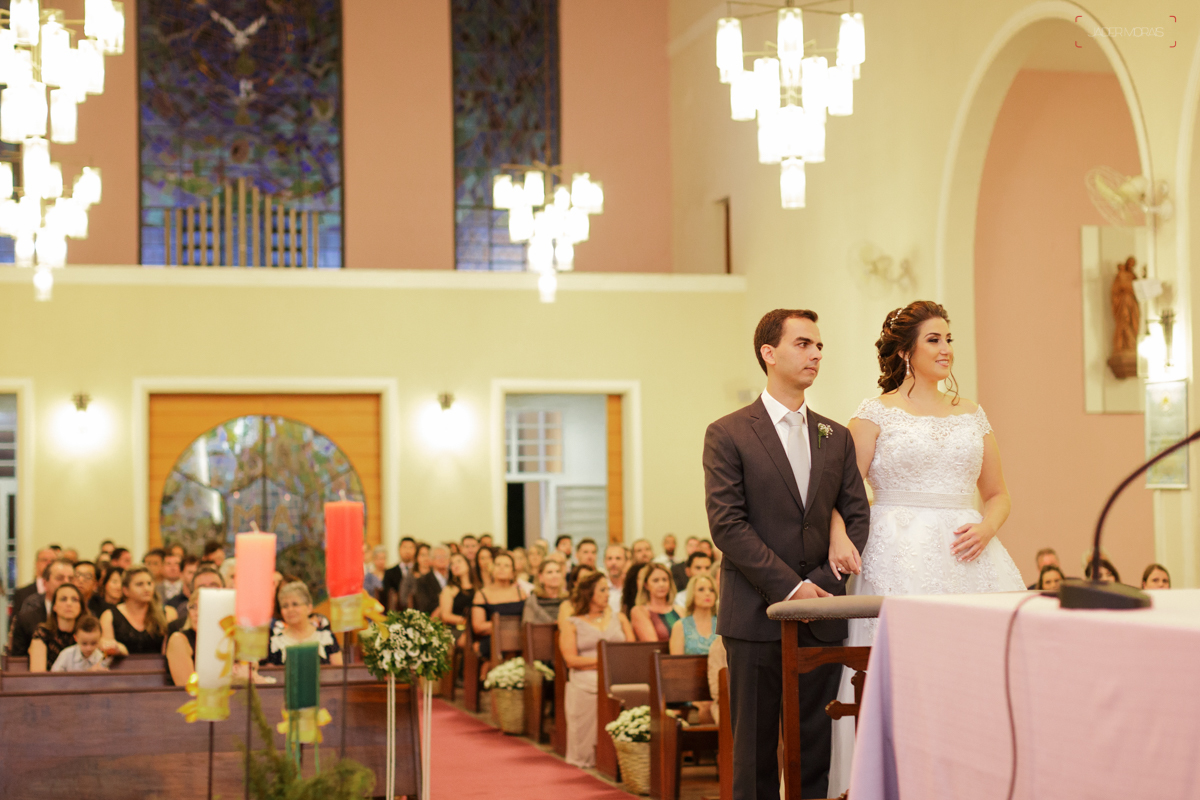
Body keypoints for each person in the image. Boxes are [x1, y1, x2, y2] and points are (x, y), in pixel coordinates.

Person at [829, 301, 1025, 795]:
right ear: (906, 350)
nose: (946, 349)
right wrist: (838, 536)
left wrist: (986, 528)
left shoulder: (972, 414)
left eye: (949, 339)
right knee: (903, 674)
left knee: (980, 673)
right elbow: (843, 493)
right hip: (897, 550)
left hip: (970, 555)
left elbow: (999, 494)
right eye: (934, 339)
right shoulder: (873, 414)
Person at [705, 308, 872, 800]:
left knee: (813, 752)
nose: (816, 354)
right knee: (754, 755)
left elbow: (856, 517)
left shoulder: (834, 436)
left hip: (820, 614)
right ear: (769, 353)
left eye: (819, 346)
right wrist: (793, 588)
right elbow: (727, 525)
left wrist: (821, 585)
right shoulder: (729, 432)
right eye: (803, 344)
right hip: (755, 616)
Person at [560, 571, 635, 768]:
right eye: (602, 590)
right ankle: (588, 757)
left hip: (618, 673)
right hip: (586, 676)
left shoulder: (619, 618)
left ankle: (624, 759)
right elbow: (570, 659)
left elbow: (631, 649)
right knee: (589, 683)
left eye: (608, 589)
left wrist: (608, 664)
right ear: (589, 594)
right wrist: (602, 662)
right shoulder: (572, 623)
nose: (607, 594)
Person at [100, 566, 178, 656]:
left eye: (149, 583)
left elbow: (170, 652)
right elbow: (108, 650)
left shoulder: (168, 613)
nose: (146, 588)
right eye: (139, 584)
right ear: (125, 590)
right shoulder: (109, 616)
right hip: (121, 668)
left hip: (158, 667)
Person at [263, 581, 343, 665]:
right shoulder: (275, 643)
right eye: (285, 606)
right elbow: (270, 675)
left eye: (295, 604)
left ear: (309, 608)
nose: (290, 610)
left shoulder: (326, 637)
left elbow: (338, 672)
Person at [10, 558, 76, 657]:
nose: (66, 582)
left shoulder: (84, 615)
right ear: (45, 583)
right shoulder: (26, 619)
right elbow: (18, 662)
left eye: (71, 579)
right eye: (60, 578)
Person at [471, 551, 526, 662]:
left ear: (513, 572)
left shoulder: (521, 593)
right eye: (498, 565)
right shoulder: (482, 594)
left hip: (519, 639)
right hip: (493, 640)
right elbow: (478, 626)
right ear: (492, 569)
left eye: (506, 566)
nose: (501, 568)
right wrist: (506, 627)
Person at [29, 584, 86, 671]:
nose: (69, 604)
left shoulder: (87, 632)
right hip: (49, 684)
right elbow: (38, 675)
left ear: (81, 607)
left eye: (74, 600)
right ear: (54, 606)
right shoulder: (42, 634)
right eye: (63, 599)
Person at [629, 562, 684, 642]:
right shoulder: (639, 611)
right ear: (646, 585)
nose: (661, 584)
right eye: (656, 580)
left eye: (664, 580)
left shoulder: (680, 610)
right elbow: (651, 643)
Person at [166, 566, 224, 638]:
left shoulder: (234, 623)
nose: (209, 591)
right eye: (202, 588)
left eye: (214, 586)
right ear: (192, 594)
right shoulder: (176, 627)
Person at [670, 574, 719, 656]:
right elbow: (676, 664)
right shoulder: (680, 626)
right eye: (701, 589)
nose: (707, 593)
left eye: (711, 590)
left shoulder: (722, 625)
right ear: (692, 594)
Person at [437, 553, 476, 643]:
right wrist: (467, 622)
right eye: (452, 564)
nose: (456, 565)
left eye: (459, 561)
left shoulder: (478, 587)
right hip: (457, 629)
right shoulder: (449, 590)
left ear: (468, 564)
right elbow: (445, 616)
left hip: (476, 628)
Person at [166, 590, 202, 686]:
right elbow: (188, 688)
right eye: (193, 607)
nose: (197, 613)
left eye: (205, 606)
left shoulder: (226, 640)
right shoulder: (179, 640)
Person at [523, 558, 568, 624]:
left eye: (558, 571)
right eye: (549, 572)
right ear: (540, 577)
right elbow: (527, 626)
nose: (555, 575)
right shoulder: (533, 601)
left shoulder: (568, 600)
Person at [12, 547, 57, 613]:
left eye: (52, 561)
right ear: (36, 563)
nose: (49, 563)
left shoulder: (62, 592)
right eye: (45, 560)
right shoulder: (22, 594)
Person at [414, 545, 451, 614]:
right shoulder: (423, 581)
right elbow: (424, 606)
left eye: (445, 556)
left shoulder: (454, 578)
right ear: (431, 560)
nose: (442, 559)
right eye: (438, 557)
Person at [383, 537, 418, 610]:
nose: (407, 551)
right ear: (399, 550)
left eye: (411, 548)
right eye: (405, 547)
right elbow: (388, 594)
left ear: (415, 550)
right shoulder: (390, 572)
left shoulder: (419, 571)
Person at [603, 545, 628, 612]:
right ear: (604, 561)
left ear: (626, 561)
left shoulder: (632, 585)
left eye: (618, 558)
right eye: (609, 558)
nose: (613, 563)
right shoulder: (598, 587)